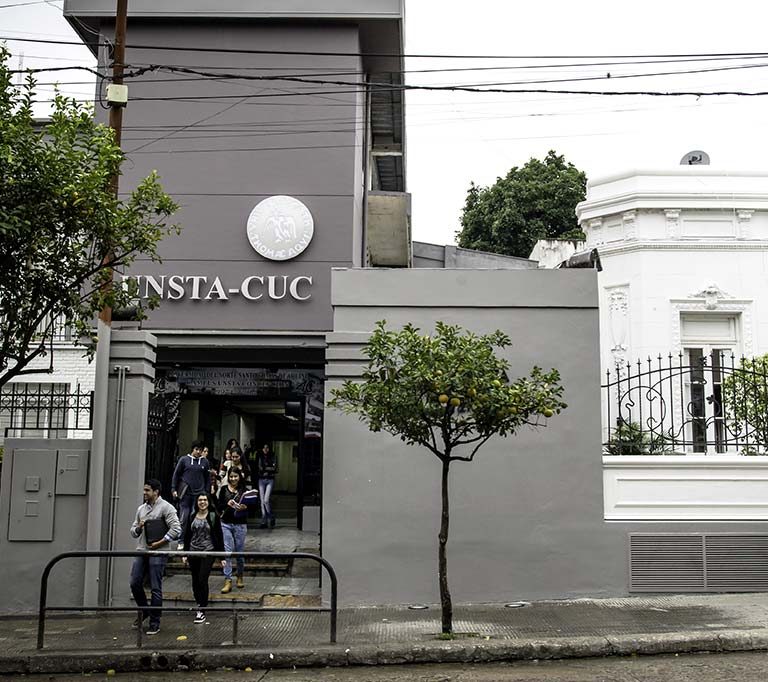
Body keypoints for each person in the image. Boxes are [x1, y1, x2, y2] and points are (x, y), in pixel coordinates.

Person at [129, 478, 181, 636]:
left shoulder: (167, 508)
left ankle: (155, 622)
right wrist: (139, 528)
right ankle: (145, 610)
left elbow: (176, 529)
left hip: (159, 551)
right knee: (134, 582)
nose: (144, 493)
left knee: (155, 587)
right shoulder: (141, 509)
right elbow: (133, 531)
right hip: (142, 549)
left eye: (147, 490)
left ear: (156, 492)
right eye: (144, 490)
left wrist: (160, 542)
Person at [182, 492, 224, 624]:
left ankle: (202, 609)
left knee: (202, 579)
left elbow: (219, 535)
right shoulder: (192, 516)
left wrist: (222, 556)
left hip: (208, 552)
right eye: (200, 500)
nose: (202, 502)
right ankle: (199, 603)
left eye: (205, 500)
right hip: (193, 552)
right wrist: (185, 553)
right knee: (195, 581)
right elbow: (187, 535)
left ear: (208, 502)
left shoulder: (213, 516)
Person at [217, 468, 248, 593]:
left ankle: (240, 575)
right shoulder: (224, 489)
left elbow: (253, 507)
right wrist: (227, 504)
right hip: (226, 523)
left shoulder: (244, 490)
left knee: (239, 553)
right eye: (231, 476)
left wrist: (244, 507)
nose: (233, 479)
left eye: (236, 476)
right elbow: (218, 506)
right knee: (227, 552)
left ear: (239, 477)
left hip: (240, 524)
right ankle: (228, 579)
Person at [171, 440, 210, 528]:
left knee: (194, 517)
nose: (198, 452)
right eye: (196, 449)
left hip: (199, 494)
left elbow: (208, 478)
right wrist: (173, 488)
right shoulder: (184, 460)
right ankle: (181, 536)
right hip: (186, 493)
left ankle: (193, 535)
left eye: (200, 450)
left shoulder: (205, 462)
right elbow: (176, 474)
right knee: (183, 518)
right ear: (192, 449)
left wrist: (207, 492)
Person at [256, 443, 278, 529]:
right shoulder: (260, 456)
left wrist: (265, 469)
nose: (265, 449)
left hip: (270, 479)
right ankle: (264, 521)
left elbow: (275, 469)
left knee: (266, 500)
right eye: (264, 448)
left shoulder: (273, 456)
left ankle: (271, 517)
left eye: (267, 447)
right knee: (262, 501)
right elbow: (259, 468)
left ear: (269, 448)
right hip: (261, 479)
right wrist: (269, 468)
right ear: (262, 449)